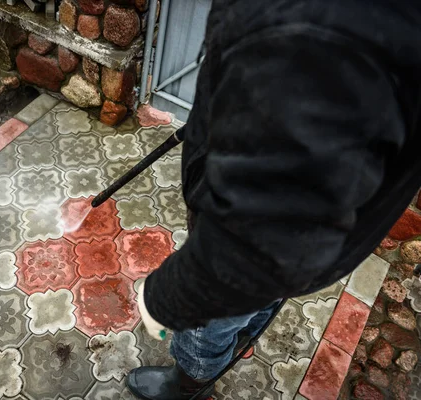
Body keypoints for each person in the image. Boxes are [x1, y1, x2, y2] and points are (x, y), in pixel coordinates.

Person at [127, 1, 421, 399]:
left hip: (257, 251)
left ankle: (190, 384)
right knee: (259, 298)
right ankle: (243, 335)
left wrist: (165, 298)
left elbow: (261, 246)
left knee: (210, 320)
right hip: (300, 249)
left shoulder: (317, 31)